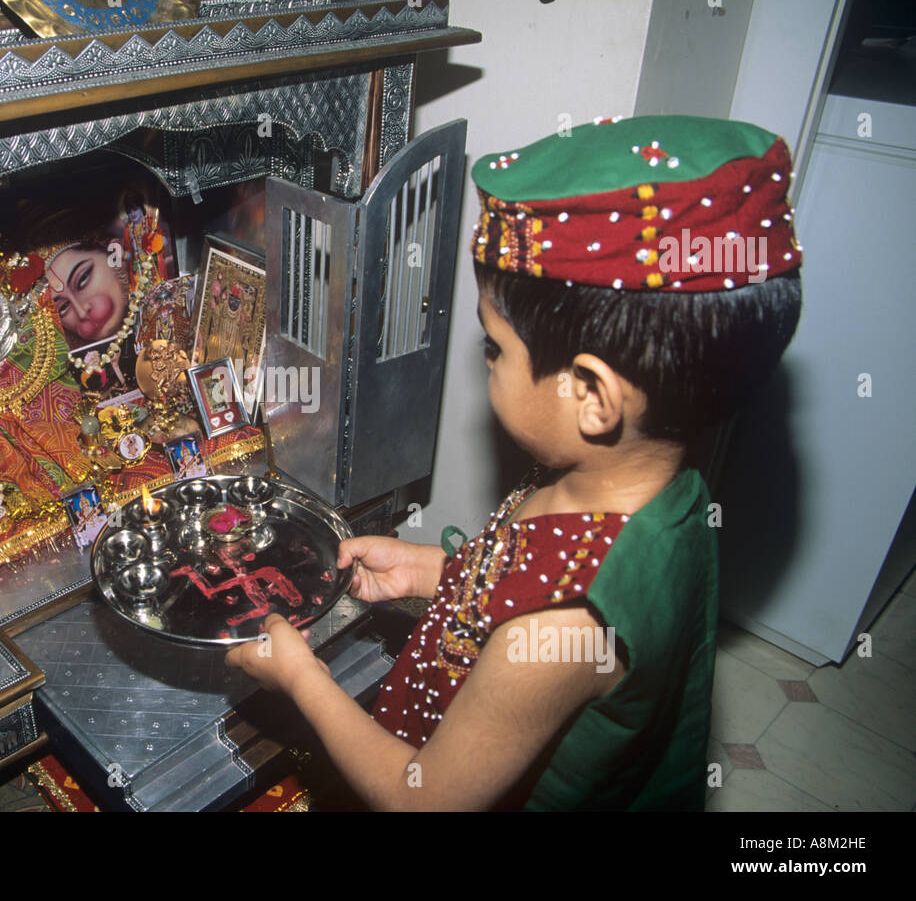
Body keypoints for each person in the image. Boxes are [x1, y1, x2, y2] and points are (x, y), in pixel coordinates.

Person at [226, 115, 804, 810]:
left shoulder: (562, 629)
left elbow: (425, 798)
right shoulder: (649, 485)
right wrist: (433, 571)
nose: (487, 365)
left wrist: (302, 679)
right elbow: (520, 572)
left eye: (495, 349)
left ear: (590, 396)